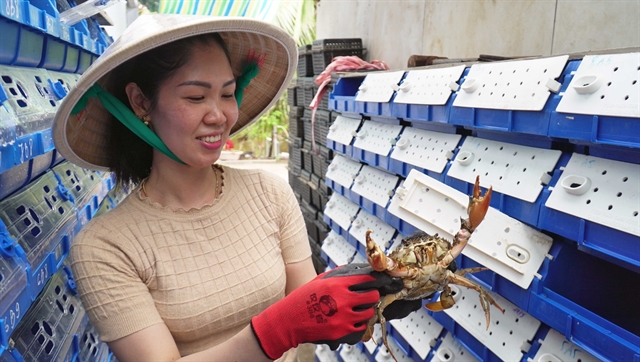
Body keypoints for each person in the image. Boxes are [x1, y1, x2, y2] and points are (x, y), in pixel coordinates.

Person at [52, 15, 421, 361]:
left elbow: (307, 302)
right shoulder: (106, 246)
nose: (219, 115)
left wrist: (370, 297)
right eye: (196, 97)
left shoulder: (268, 194)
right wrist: (274, 332)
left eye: (227, 94)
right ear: (141, 102)